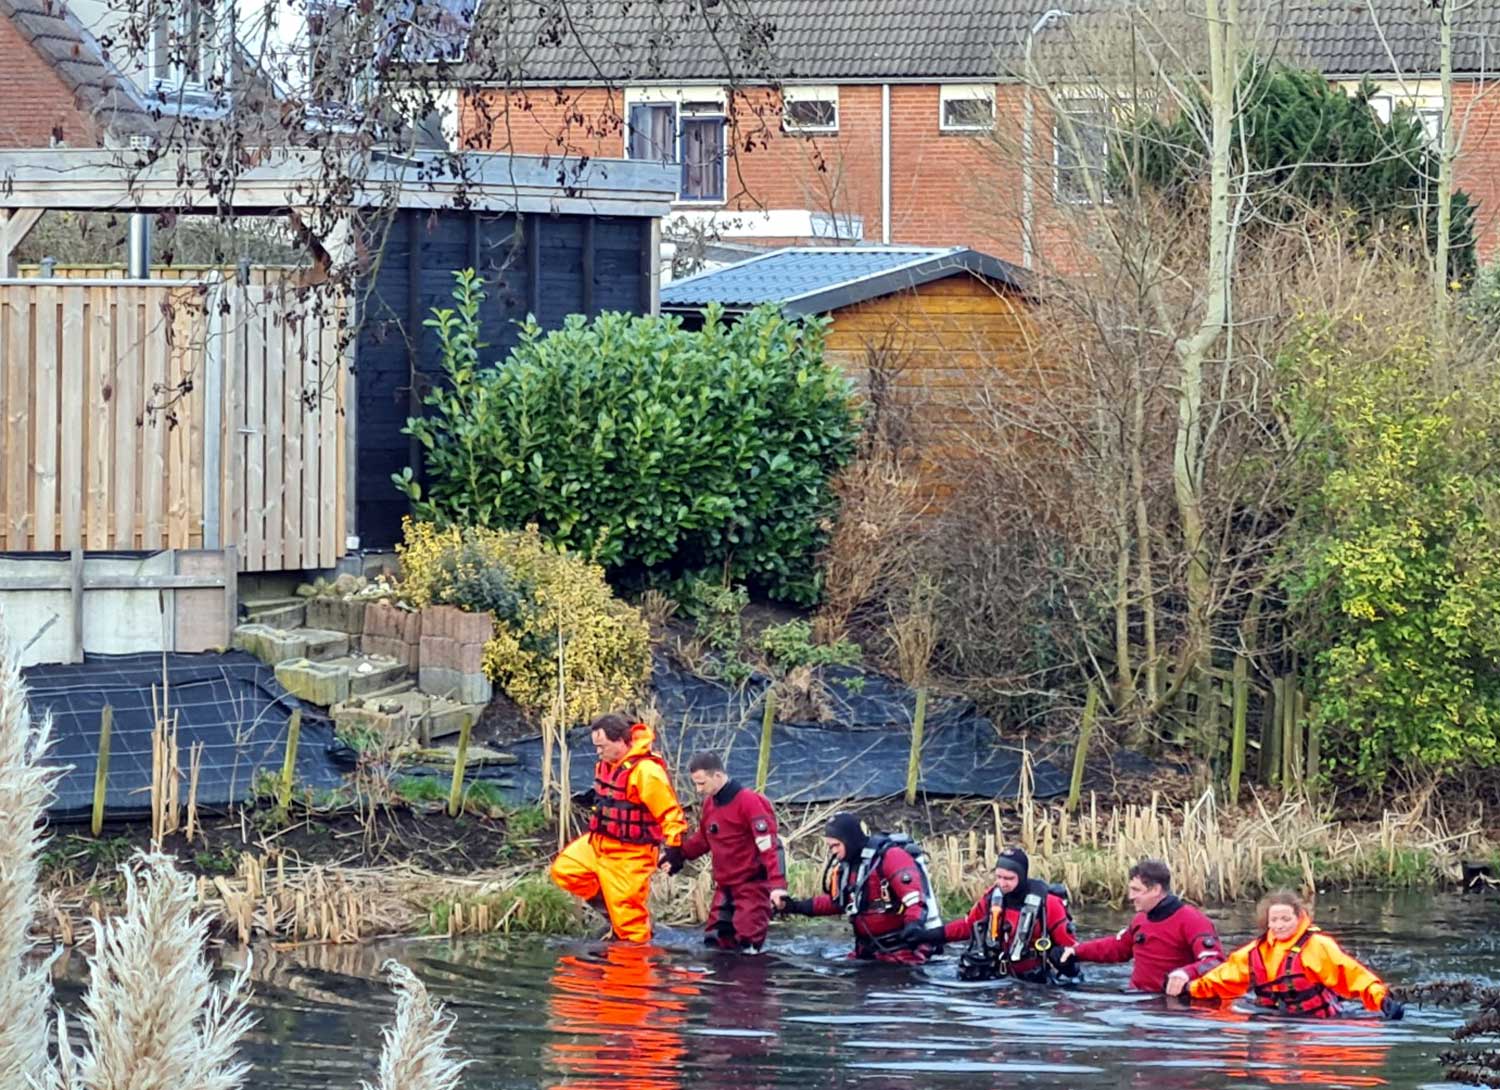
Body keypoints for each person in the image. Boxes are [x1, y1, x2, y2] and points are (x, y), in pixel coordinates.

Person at [551, 713, 687, 943]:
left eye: (602, 746)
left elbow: (669, 812)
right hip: (599, 844)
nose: (598, 752)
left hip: (631, 854)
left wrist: (675, 848)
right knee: (565, 870)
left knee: (630, 928)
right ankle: (613, 915)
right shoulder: (608, 764)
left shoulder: (646, 771)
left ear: (621, 742)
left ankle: (634, 968)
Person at [1179, 889, 1405, 1020]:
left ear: (1299, 918)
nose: (1279, 925)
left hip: (1318, 1023)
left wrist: (1382, 1000)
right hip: (1272, 1021)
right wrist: (1189, 988)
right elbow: (1222, 979)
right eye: (1274, 920)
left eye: (1285, 919)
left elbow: (1353, 976)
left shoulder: (1318, 946)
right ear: (1266, 922)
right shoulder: (1253, 953)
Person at [659, 752, 786, 953]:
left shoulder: (750, 802)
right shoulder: (711, 803)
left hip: (751, 886)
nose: (698, 790)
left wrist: (778, 886)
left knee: (747, 946)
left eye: (702, 783)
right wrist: (679, 855)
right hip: (725, 887)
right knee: (714, 942)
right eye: (696, 784)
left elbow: (769, 846)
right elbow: (704, 838)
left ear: (717, 776)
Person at [772, 812, 939, 964]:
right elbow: (838, 903)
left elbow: (914, 900)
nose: (833, 852)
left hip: (902, 951)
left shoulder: (890, 857)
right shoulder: (848, 867)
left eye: (836, 845)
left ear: (849, 840)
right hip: (867, 951)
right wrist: (793, 906)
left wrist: (913, 926)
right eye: (831, 847)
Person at [911, 846, 1078, 984]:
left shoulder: (1048, 904)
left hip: (1033, 982)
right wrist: (926, 936)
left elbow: (1071, 949)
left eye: (1009, 878)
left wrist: (1066, 963)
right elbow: (967, 926)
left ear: (1022, 875)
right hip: (996, 977)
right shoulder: (993, 897)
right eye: (998, 877)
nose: (1002, 883)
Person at [1060, 858, 1222, 992]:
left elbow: (1216, 961)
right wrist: (1076, 950)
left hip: (1173, 1007)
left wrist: (1185, 974)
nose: (1130, 897)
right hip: (1136, 1000)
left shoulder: (1192, 920)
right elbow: (1117, 948)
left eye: (1136, 890)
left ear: (1156, 890)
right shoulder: (1140, 920)